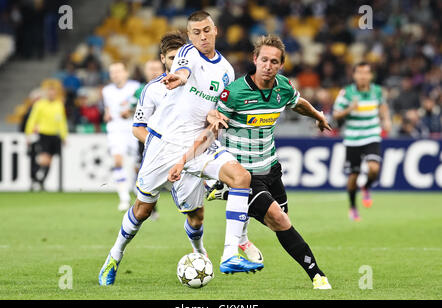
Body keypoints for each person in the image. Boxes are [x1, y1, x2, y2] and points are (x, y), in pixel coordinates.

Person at [98, 11, 263, 286]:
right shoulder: (183, 59)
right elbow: (184, 72)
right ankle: (114, 256)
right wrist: (180, 77)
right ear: (189, 37)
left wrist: (214, 116)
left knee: (228, 189)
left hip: (197, 146)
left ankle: (228, 253)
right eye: (196, 32)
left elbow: (213, 109)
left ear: (215, 30)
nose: (202, 36)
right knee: (142, 210)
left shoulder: (226, 70)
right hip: (162, 147)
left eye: (206, 30)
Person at [173, 35, 333, 289]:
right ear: (255, 60)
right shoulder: (235, 92)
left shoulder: (282, 87)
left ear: (281, 65)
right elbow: (212, 130)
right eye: (264, 60)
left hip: (271, 167)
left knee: (280, 221)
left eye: (275, 61)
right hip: (245, 174)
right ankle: (317, 274)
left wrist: (318, 116)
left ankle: (224, 192)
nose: (268, 65)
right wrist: (184, 160)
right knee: (280, 220)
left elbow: (297, 103)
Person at [333, 61, 391, 221]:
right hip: (353, 138)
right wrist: (350, 109)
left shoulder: (377, 91)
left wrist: (386, 120)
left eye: (366, 73)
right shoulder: (347, 93)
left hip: (372, 135)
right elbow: (336, 114)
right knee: (353, 177)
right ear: (354, 75)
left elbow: (383, 106)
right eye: (359, 72)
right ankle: (352, 206)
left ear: (371, 75)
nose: (363, 76)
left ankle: (366, 187)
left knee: (374, 168)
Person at [102, 62, 140, 211]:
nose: (115, 74)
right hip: (116, 128)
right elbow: (108, 108)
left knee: (137, 166)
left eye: (118, 71)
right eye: (112, 72)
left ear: (125, 73)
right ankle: (124, 198)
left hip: (133, 128)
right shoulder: (106, 90)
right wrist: (107, 114)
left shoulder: (135, 87)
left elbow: (142, 106)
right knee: (118, 161)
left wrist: (130, 112)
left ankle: (139, 195)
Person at [130, 58, 164, 220]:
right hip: (145, 136)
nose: (154, 71)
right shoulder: (140, 90)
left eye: (156, 68)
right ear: (145, 71)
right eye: (150, 69)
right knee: (142, 170)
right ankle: (150, 207)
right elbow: (130, 108)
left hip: (167, 137)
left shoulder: (170, 86)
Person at [24, 79, 68, 191]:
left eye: (53, 92)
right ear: (46, 93)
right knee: (44, 159)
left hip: (54, 135)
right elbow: (32, 119)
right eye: (50, 91)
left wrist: (64, 136)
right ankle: (35, 179)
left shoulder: (59, 105)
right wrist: (28, 133)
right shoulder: (39, 104)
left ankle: (41, 182)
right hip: (43, 134)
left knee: (50, 160)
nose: (51, 94)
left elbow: (62, 121)